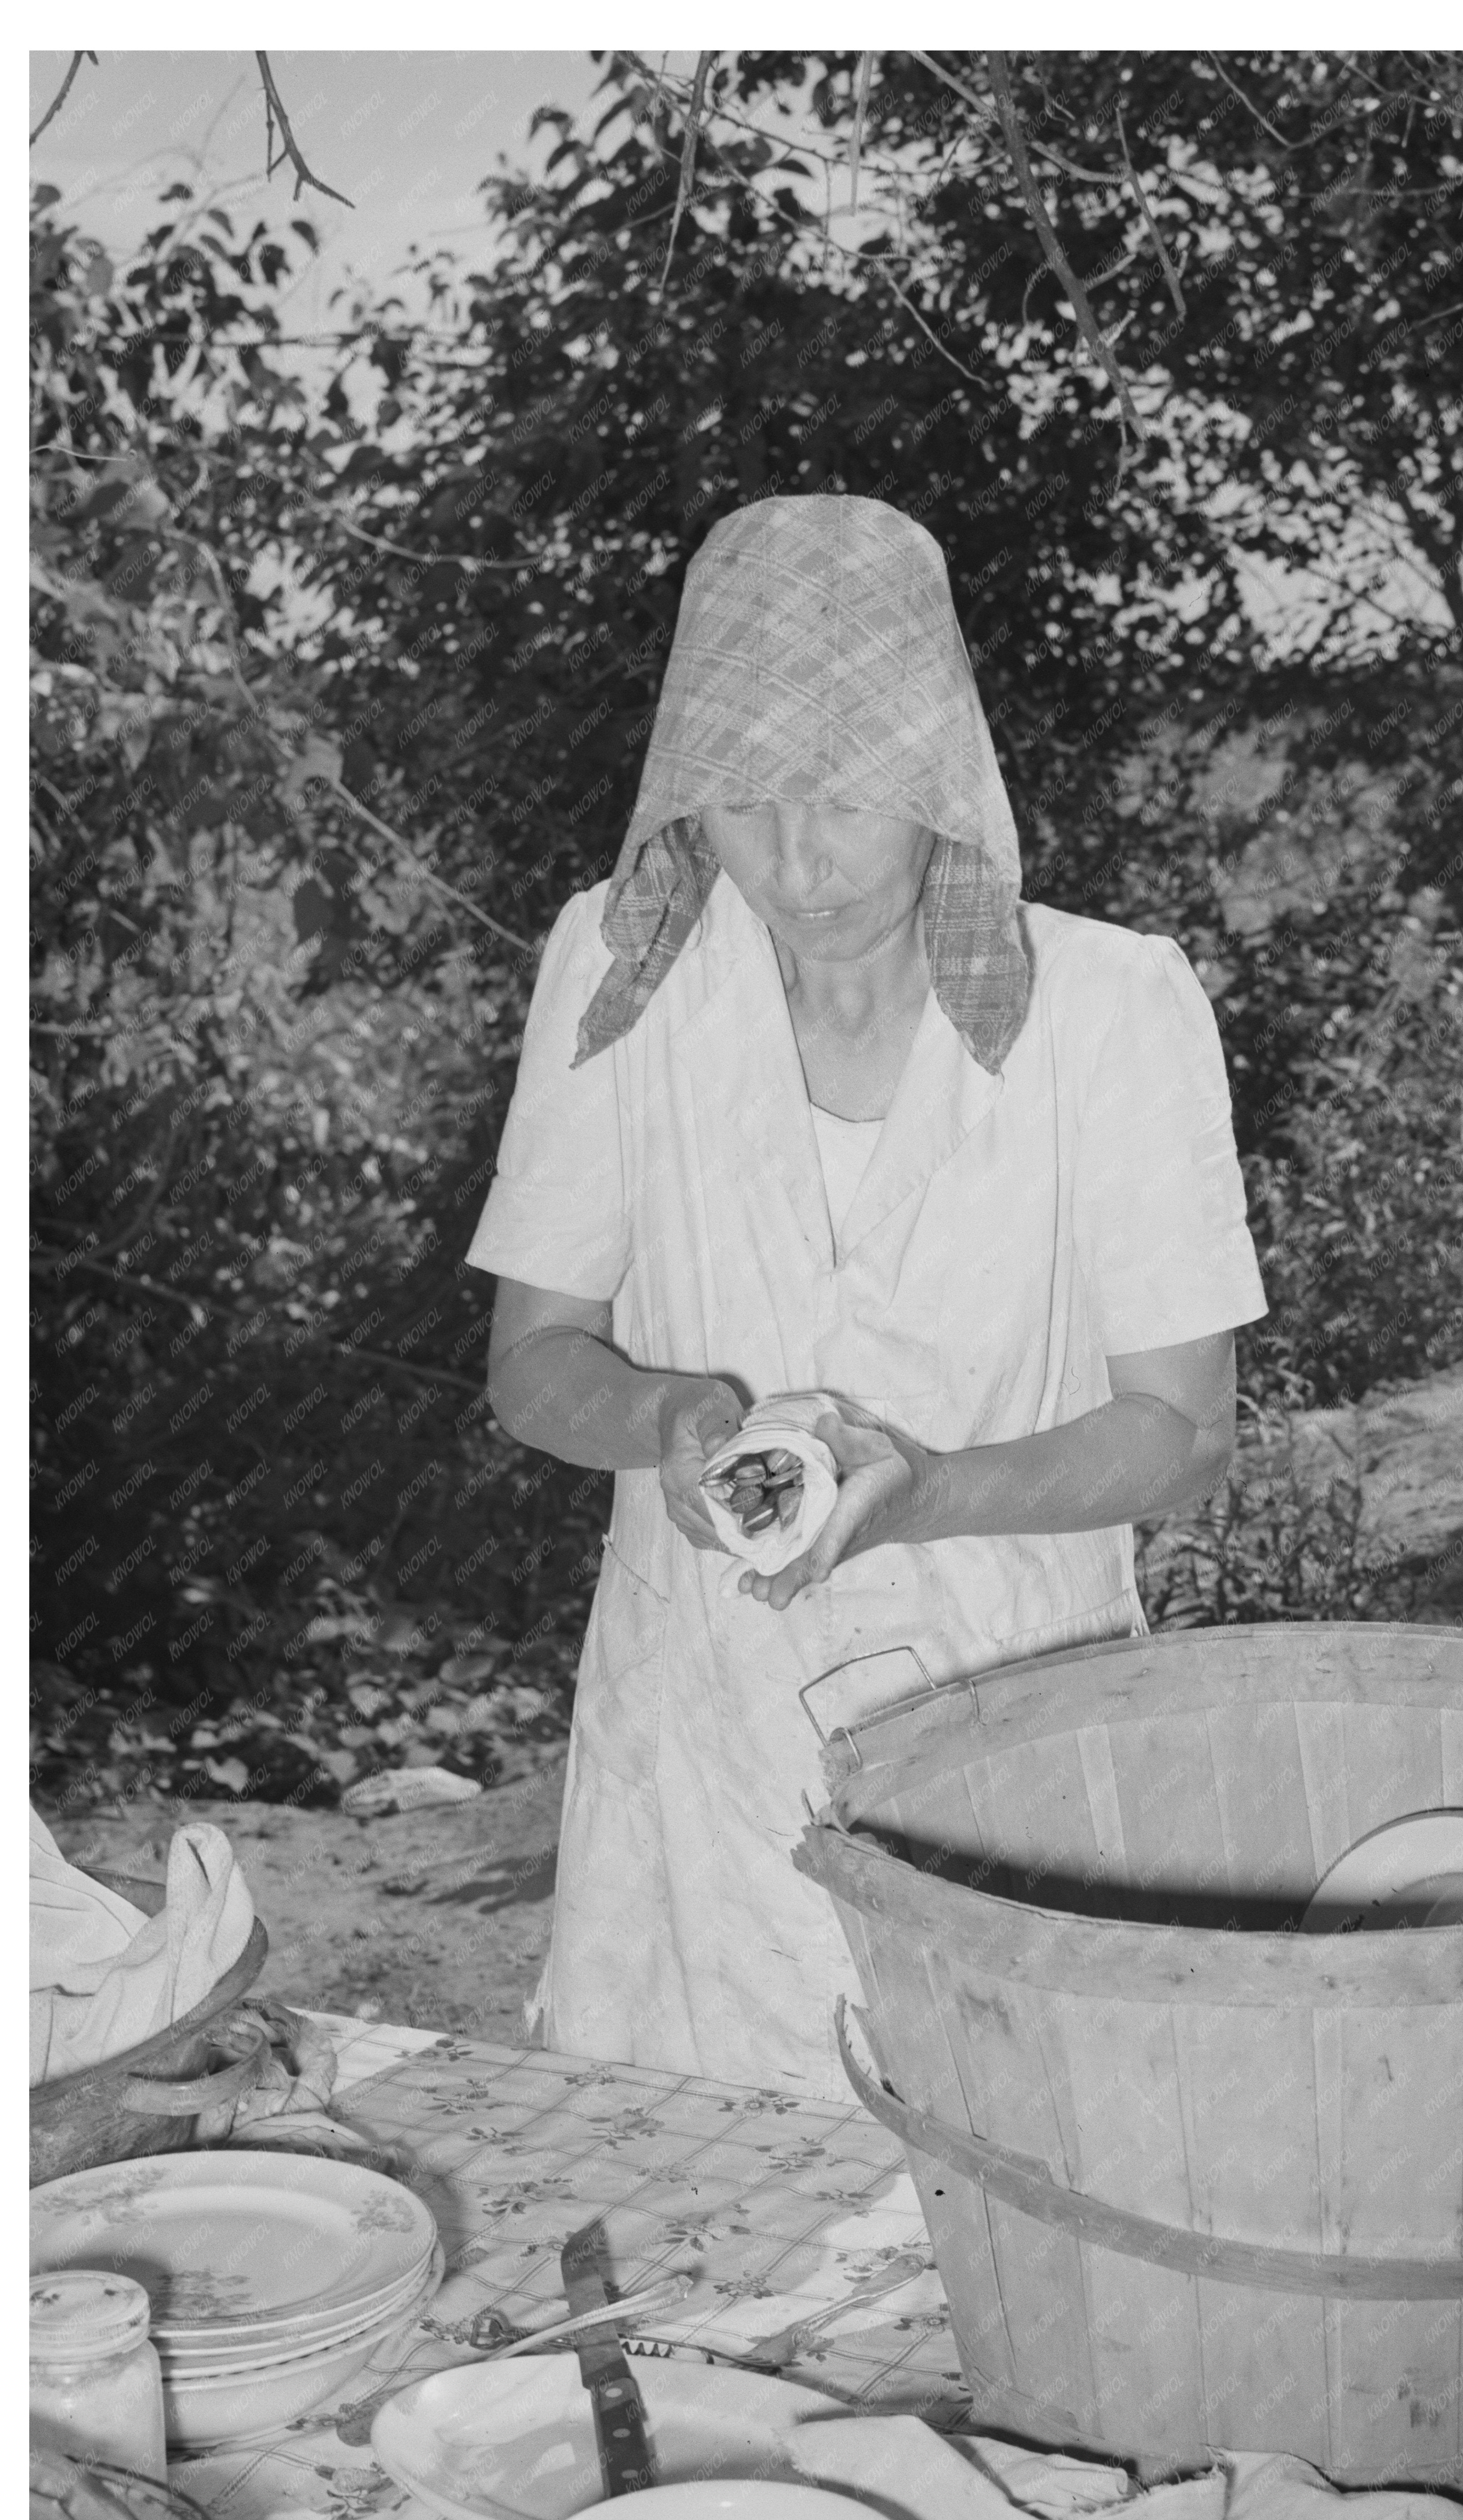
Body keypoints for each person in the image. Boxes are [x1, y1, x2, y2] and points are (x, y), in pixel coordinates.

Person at [467, 493, 1268, 2099]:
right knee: (702, 2215)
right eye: (744, 806)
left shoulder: (1114, 1010)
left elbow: (1182, 1434)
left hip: (1009, 1712)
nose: (801, 861)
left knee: (1007, 2207)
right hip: (700, 1724)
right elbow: (532, 1360)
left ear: (936, 774)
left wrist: (926, 1496)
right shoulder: (617, 976)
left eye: (845, 799)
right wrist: (674, 1424)